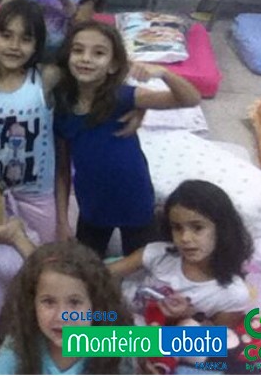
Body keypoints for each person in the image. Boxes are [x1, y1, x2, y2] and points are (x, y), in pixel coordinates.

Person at [54, 21, 202, 256]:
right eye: (78, 50)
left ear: (113, 65)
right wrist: (62, 221)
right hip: (92, 205)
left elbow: (190, 99)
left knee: (144, 264)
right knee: (85, 266)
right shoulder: (61, 107)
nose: (86, 59)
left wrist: (163, 73)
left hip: (135, 201)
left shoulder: (124, 97)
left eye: (98, 53)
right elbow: (62, 170)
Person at [109, 180, 253, 328]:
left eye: (197, 227)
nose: (185, 238)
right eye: (177, 228)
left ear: (222, 229)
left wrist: (185, 316)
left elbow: (218, 338)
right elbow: (102, 274)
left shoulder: (233, 294)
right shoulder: (159, 253)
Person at [0, 1, 61, 243]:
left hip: (38, 197)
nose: (14, 46)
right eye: (6, 36)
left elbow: (82, 62)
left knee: (41, 256)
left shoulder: (45, 77)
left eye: (25, 39)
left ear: (37, 45)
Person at [0, 240, 134, 375]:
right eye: (49, 302)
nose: (61, 316)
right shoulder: (15, 351)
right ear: (31, 305)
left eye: (74, 302)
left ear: (95, 306)